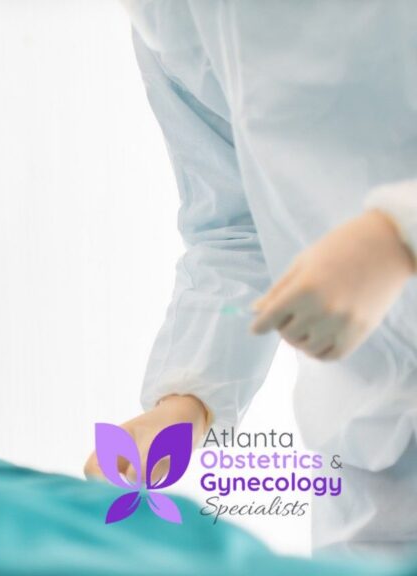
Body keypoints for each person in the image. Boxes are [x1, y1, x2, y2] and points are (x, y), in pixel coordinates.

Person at [85, 1, 417, 557]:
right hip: (371, 457)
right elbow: (234, 228)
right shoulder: (169, 15)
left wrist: (397, 234)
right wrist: (186, 402)